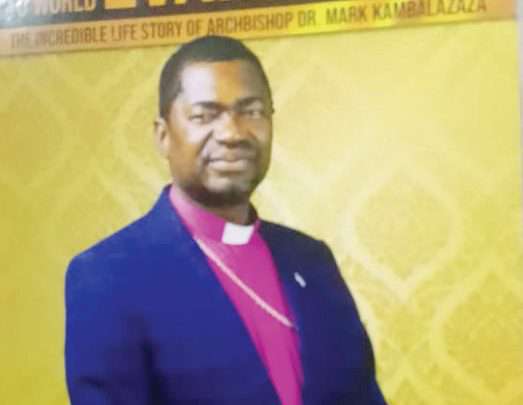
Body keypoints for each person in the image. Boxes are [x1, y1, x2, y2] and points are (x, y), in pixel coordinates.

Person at [65, 35, 388, 405]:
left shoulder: (311, 260)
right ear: (163, 136)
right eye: (204, 115)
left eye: (251, 111)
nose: (233, 133)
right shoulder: (108, 275)